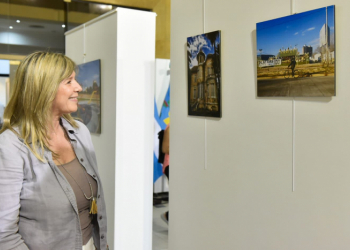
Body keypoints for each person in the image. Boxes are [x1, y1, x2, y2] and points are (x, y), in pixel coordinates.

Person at [0, 51, 107, 250]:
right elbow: (4, 234)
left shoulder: (80, 131)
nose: (79, 87)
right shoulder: (11, 145)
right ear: (44, 88)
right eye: (69, 81)